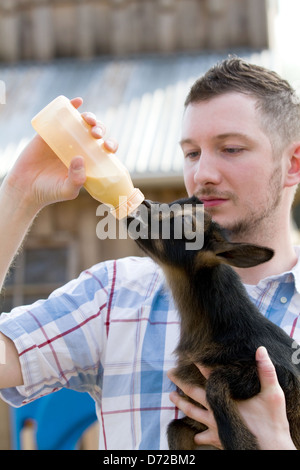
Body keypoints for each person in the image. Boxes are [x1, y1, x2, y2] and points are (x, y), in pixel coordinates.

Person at [0, 58, 298, 450]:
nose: (203, 173)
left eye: (231, 148)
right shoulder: (114, 296)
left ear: (293, 164)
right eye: (192, 153)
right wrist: (19, 194)